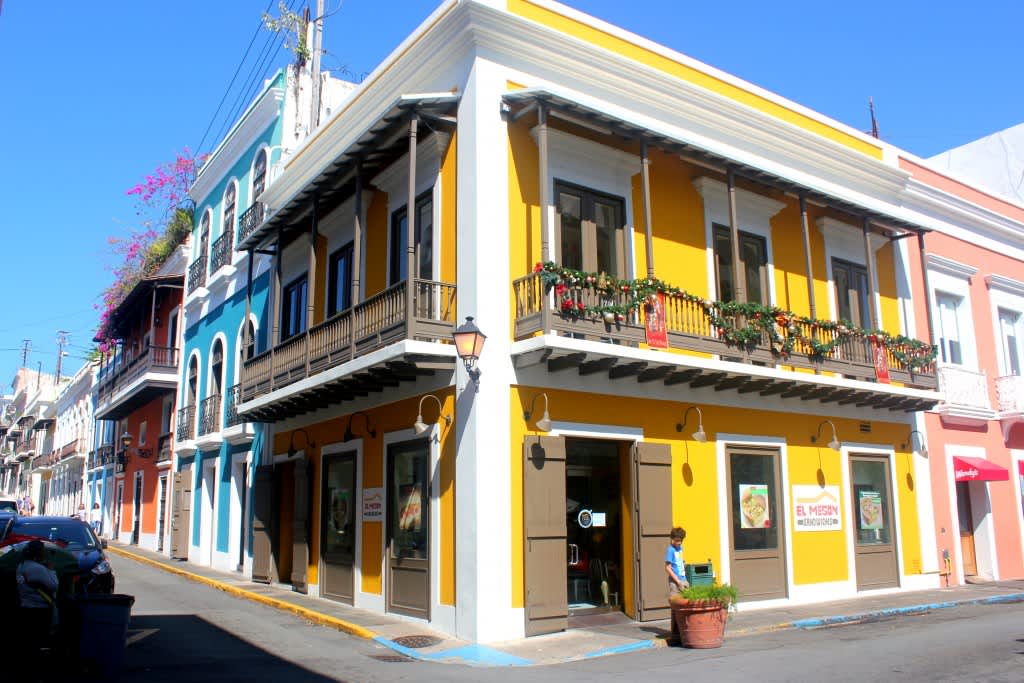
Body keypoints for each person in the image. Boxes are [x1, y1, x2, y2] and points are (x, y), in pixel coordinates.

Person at [16, 540, 59, 657]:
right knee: (39, 639)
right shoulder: (37, 568)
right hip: (40, 609)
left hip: (26, 606)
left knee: (29, 639)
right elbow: (54, 585)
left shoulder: (22, 566)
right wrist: (51, 570)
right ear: (39, 552)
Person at [664, 526, 689, 643]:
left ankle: (683, 630)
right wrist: (678, 581)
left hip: (683, 579)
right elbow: (668, 568)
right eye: (676, 541)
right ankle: (675, 635)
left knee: (686, 604)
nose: (678, 543)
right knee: (675, 607)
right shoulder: (670, 550)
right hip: (675, 582)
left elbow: (680, 562)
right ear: (672, 539)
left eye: (680, 541)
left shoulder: (680, 548)